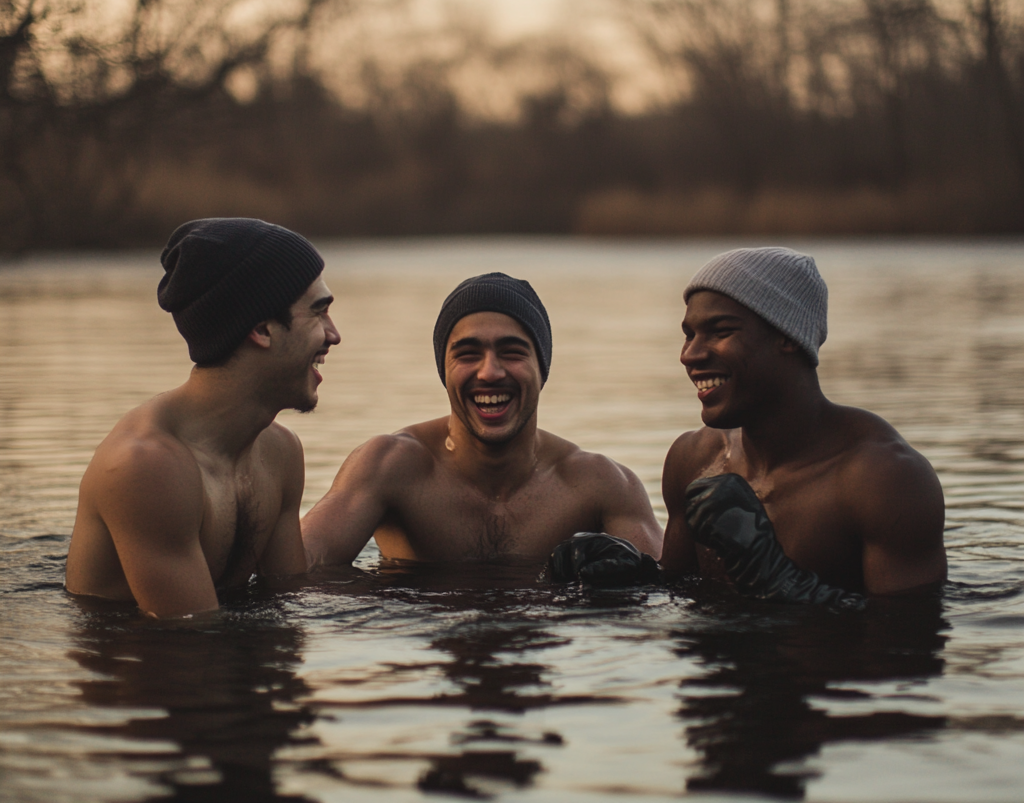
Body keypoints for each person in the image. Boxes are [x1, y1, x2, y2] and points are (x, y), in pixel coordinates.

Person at [302, 272, 662, 580]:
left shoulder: (601, 485)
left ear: (542, 368)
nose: (490, 372)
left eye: (512, 351)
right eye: (468, 353)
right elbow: (296, 570)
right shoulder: (389, 467)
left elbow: (666, 589)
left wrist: (628, 578)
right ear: (444, 369)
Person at [65, 217, 340, 618]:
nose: (334, 335)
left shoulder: (279, 453)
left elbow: (287, 604)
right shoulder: (145, 467)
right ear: (261, 329)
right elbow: (192, 643)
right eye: (319, 313)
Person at [660, 247, 946, 602]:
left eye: (720, 331)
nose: (690, 355)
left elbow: (908, 639)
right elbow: (674, 595)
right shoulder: (692, 459)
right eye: (689, 334)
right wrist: (622, 578)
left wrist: (775, 579)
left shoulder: (884, 478)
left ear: (788, 336)